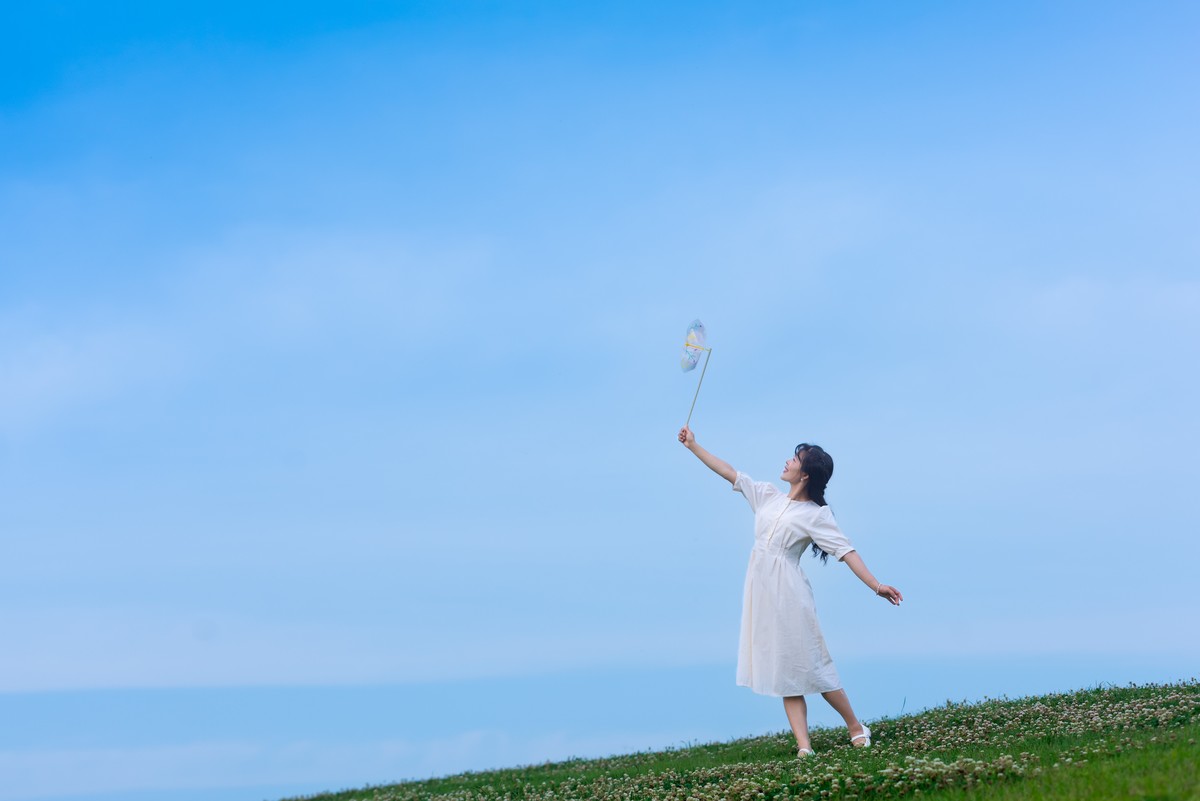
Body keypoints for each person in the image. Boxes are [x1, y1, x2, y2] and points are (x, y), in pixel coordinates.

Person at [678, 425, 903, 756]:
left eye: (795, 459)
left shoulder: (815, 516)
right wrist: (694, 446)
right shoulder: (767, 496)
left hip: (790, 593)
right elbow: (729, 472)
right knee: (785, 669)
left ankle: (856, 726)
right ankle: (804, 746)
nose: (787, 461)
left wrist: (876, 586)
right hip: (761, 592)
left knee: (814, 664)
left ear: (806, 474)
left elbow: (846, 552)